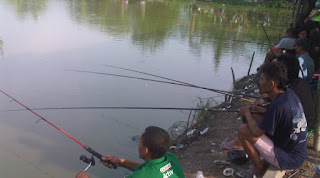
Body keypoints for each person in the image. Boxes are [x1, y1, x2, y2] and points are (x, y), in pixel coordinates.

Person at [236, 62, 308, 177]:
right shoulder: (289, 93)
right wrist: (254, 108)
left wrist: (246, 112)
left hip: (289, 159)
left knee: (243, 130)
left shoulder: (278, 105)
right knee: (255, 116)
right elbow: (272, 115)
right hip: (298, 152)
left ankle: (259, 169)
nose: (259, 81)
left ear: (271, 84)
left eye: (262, 79)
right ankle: (264, 161)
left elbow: (255, 133)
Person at [76, 126, 185, 178]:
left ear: (146, 150)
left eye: (140, 143)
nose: (138, 146)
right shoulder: (171, 158)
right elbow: (148, 169)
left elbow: (145, 173)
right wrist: (120, 162)